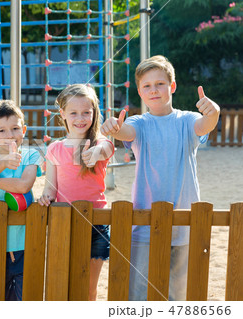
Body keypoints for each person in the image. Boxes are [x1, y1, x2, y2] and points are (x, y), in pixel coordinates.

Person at [101, 55, 220, 301]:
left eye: (160, 84)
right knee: (138, 295)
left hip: (184, 224)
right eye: (147, 86)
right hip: (144, 225)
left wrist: (213, 113)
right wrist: (114, 127)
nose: (153, 90)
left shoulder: (186, 120)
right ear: (140, 92)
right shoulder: (139, 123)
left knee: (178, 295)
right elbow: (125, 130)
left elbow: (204, 125)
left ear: (172, 86)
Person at [37, 84, 115, 300]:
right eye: (73, 113)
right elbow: (51, 186)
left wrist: (95, 152)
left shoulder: (100, 143)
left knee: (89, 287)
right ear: (62, 114)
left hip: (96, 222)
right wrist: (46, 197)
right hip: (65, 221)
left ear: (94, 113)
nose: (80, 118)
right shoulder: (55, 148)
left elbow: (106, 149)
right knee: (65, 282)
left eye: (86, 112)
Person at [0, 99, 42, 301]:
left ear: (24, 130)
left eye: (15, 128)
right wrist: (3, 163)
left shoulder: (31, 155)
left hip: (25, 243)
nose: (10, 135)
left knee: (23, 298)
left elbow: (23, 186)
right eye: (1, 131)